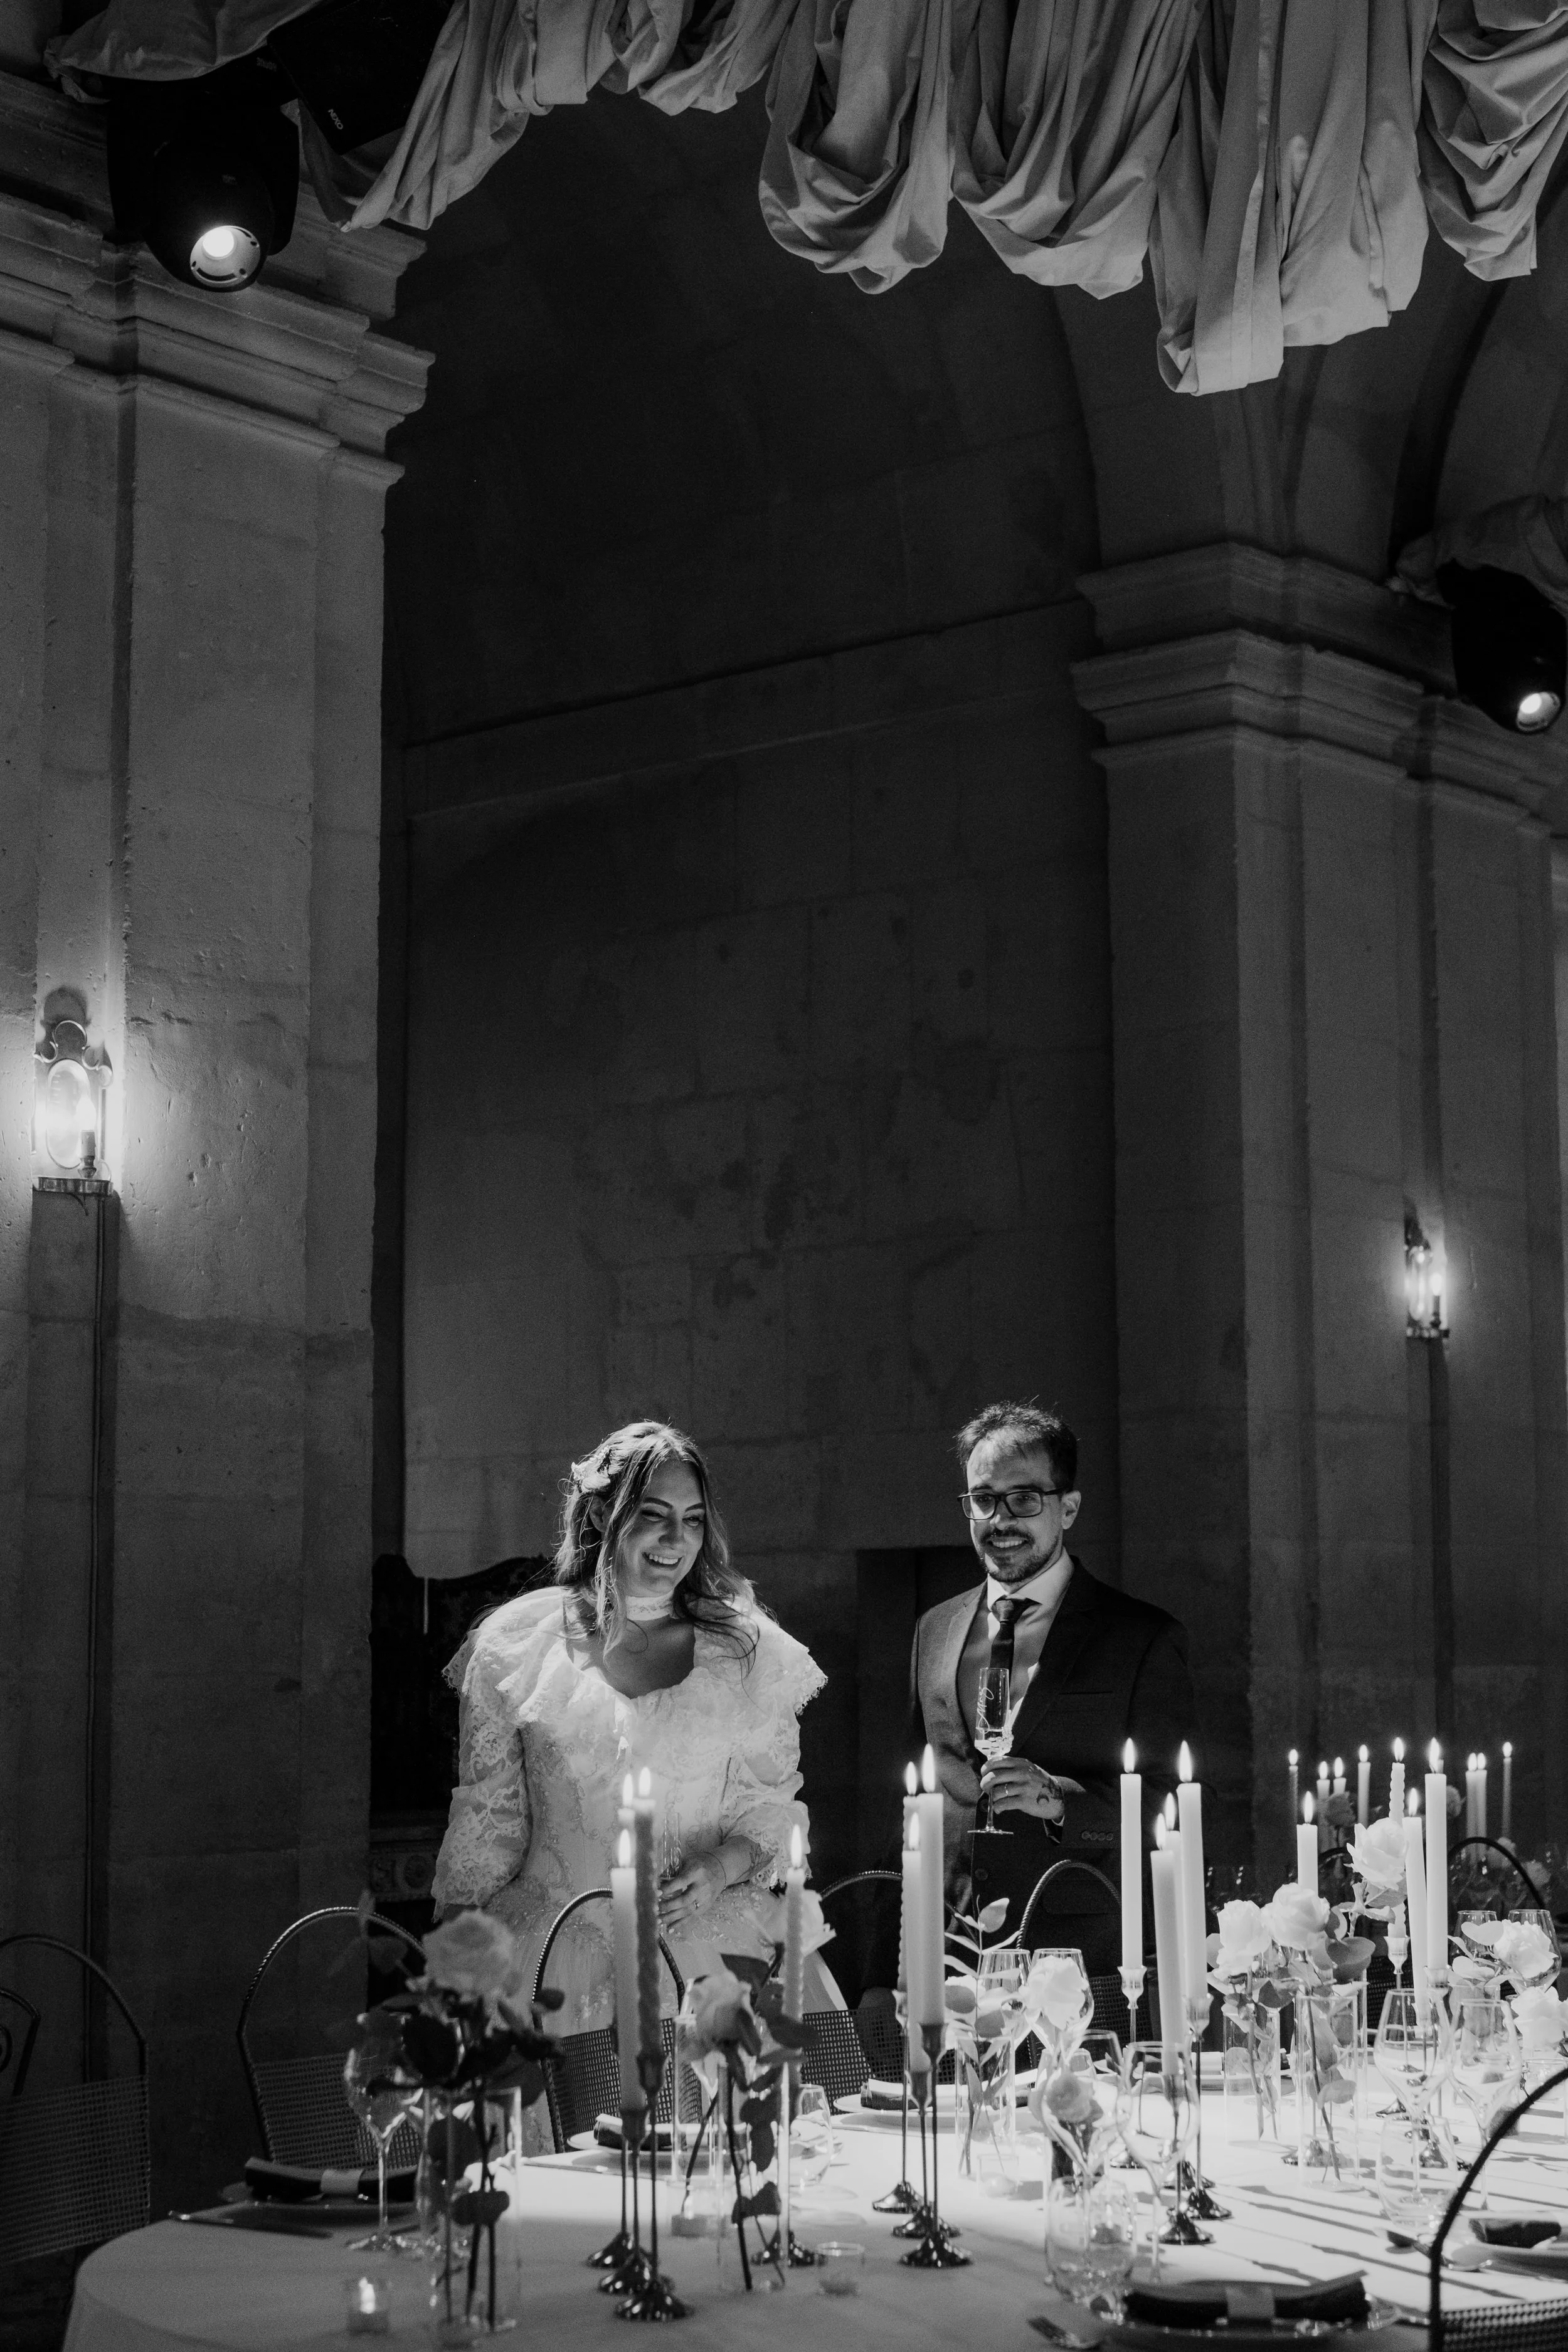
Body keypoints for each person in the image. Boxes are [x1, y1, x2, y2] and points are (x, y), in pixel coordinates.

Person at [431, 1419, 830, 2032]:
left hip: (714, 1958)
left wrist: (722, 1867)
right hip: (548, 1953)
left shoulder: (747, 1655)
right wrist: (451, 1973)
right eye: (655, 1513)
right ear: (598, 1518)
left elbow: (770, 1816)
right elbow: (488, 1826)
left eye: (694, 1518)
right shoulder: (516, 1648)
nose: (677, 1537)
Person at [910, 1401, 1195, 1976]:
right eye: (984, 1500)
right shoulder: (933, 1630)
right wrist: (885, 1968)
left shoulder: (1141, 1637)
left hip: (1086, 1962)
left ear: (1068, 1508)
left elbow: (1183, 1802)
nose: (1001, 1520)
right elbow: (913, 1800)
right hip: (952, 1961)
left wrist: (1062, 1800)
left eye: (1024, 1499)